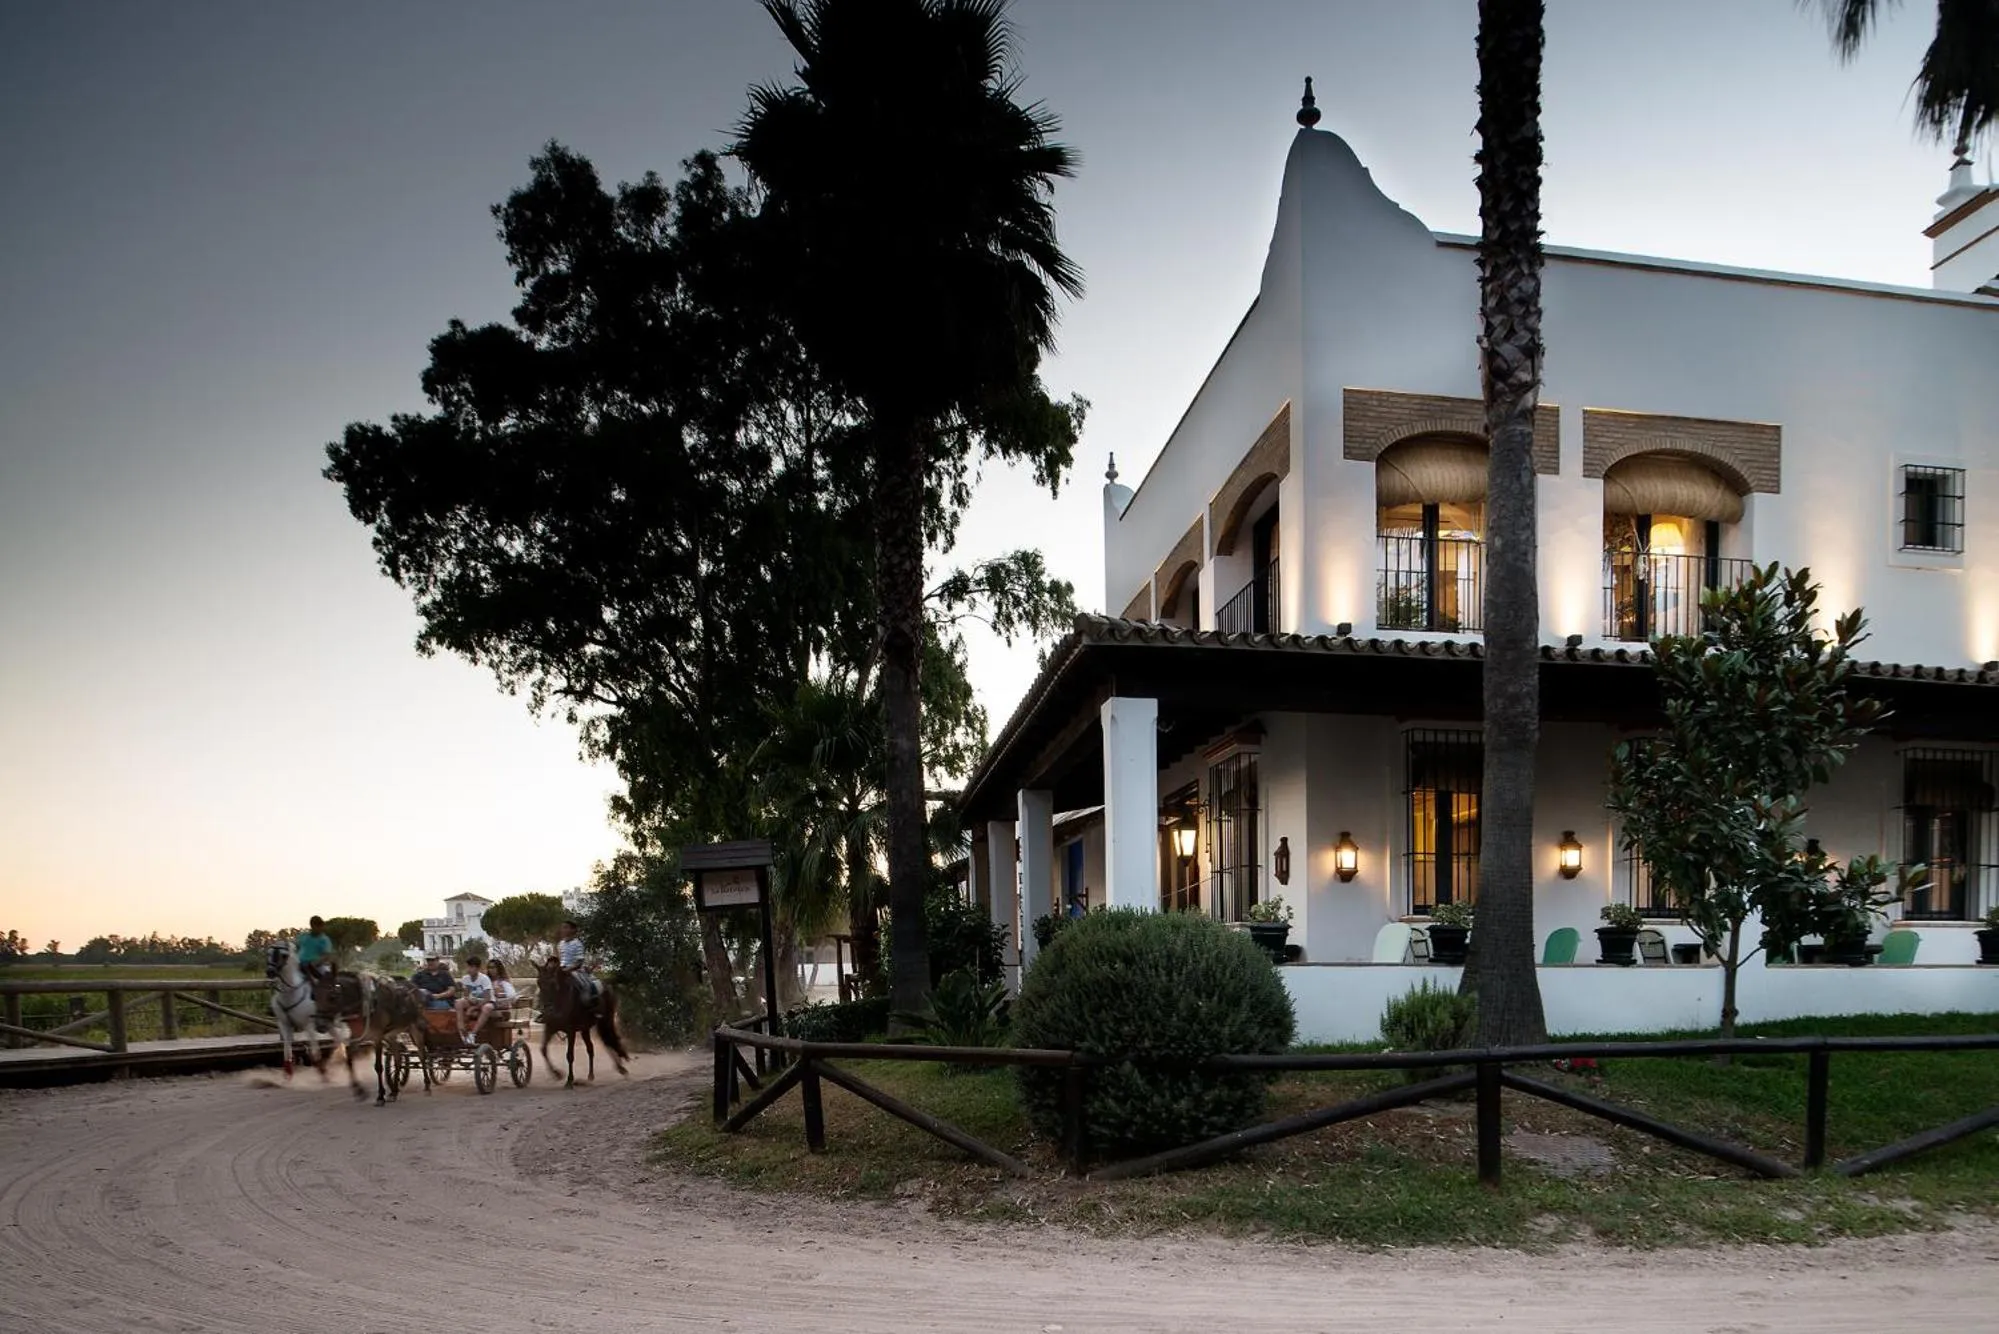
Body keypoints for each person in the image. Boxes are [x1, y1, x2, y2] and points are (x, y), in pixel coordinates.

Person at [555, 920, 597, 1004]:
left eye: (566, 927)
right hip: (562, 970)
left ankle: (588, 1003)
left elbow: (579, 962)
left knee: (585, 986)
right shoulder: (560, 944)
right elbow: (559, 959)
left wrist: (567, 969)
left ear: (573, 930)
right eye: (562, 928)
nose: (563, 930)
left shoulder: (578, 944)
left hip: (575, 970)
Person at [455, 957, 495, 1043]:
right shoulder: (465, 978)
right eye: (468, 967)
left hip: (486, 1001)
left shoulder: (484, 979)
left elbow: (487, 998)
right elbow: (465, 995)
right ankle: (461, 1029)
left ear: (477, 968)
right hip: (473, 1000)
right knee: (458, 1002)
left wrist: (474, 1008)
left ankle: (473, 1034)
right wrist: (469, 1001)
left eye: (471, 967)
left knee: (487, 1008)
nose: (469, 970)